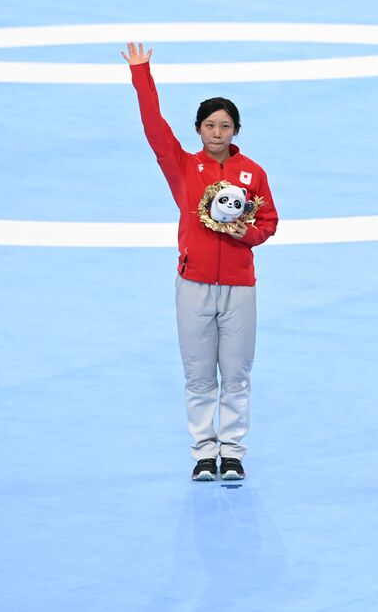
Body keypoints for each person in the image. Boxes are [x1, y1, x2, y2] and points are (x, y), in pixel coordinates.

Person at [122, 42, 279, 482]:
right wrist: (141, 74)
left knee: (236, 374)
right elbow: (154, 127)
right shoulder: (184, 168)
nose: (216, 133)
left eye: (225, 126)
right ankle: (202, 454)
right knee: (198, 375)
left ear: (236, 130)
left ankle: (232, 452)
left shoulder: (253, 173)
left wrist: (243, 233)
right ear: (197, 129)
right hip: (192, 285)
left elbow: (269, 222)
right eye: (209, 125)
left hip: (239, 287)